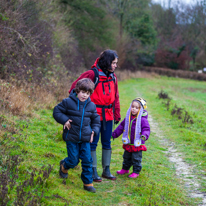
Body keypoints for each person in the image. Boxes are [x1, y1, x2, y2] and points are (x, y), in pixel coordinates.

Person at [69, 49, 121, 182]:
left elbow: (116, 97)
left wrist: (117, 113)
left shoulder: (113, 77)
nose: (115, 65)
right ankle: (92, 171)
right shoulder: (92, 74)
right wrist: (77, 110)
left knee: (107, 142)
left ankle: (106, 170)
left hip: (108, 115)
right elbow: (74, 89)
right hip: (93, 115)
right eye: (114, 63)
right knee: (92, 143)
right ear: (107, 62)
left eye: (116, 63)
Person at [53, 78, 100, 193]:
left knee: (87, 160)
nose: (85, 95)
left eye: (88, 93)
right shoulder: (68, 102)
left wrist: (94, 131)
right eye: (83, 92)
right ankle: (64, 166)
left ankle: (88, 183)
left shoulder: (91, 106)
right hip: (71, 137)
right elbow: (56, 111)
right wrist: (65, 120)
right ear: (77, 90)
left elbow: (96, 120)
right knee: (73, 160)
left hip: (85, 137)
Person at [111, 97, 150, 178]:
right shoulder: (128, 118)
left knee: (136, 159)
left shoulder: (142, 120)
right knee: (126, 157)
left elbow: (146, 129)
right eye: (132, 107)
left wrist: (144, 135)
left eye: (136, 107)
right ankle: (125, 169)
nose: (134, 109)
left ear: (141, 109)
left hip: (137, 144)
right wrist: (114, 134)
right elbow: (121, 127)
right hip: (129, 142)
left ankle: (136, 171)